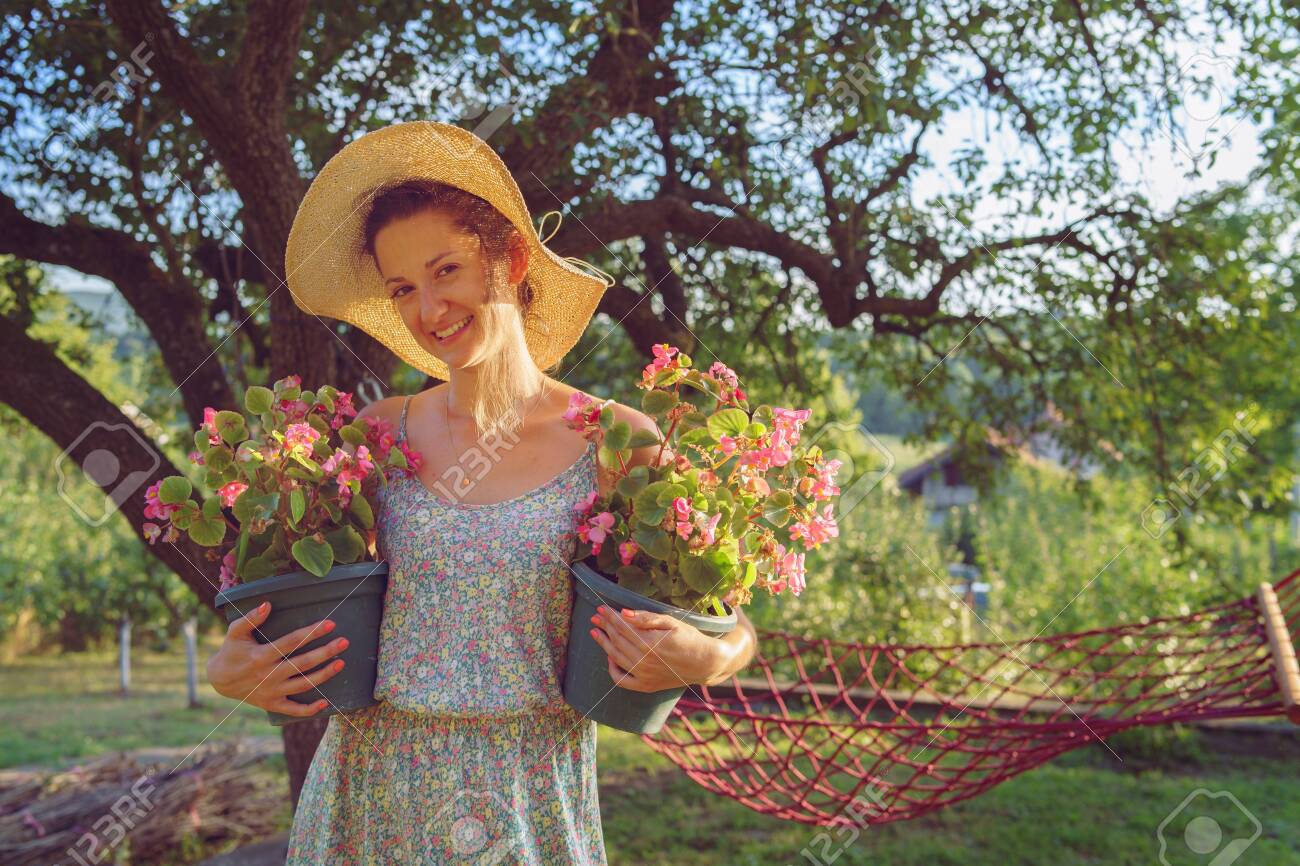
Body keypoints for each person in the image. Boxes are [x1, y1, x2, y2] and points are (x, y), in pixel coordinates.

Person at [205, 121, 757, 864]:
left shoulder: (613, 439)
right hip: (369, 793)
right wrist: (228, 670)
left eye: (447, 271)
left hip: (528, 797)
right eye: (403, 288)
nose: (429, 309)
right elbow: (300, 595)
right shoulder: (374, 437)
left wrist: (707, 659)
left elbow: (736, 631)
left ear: (512, 259)